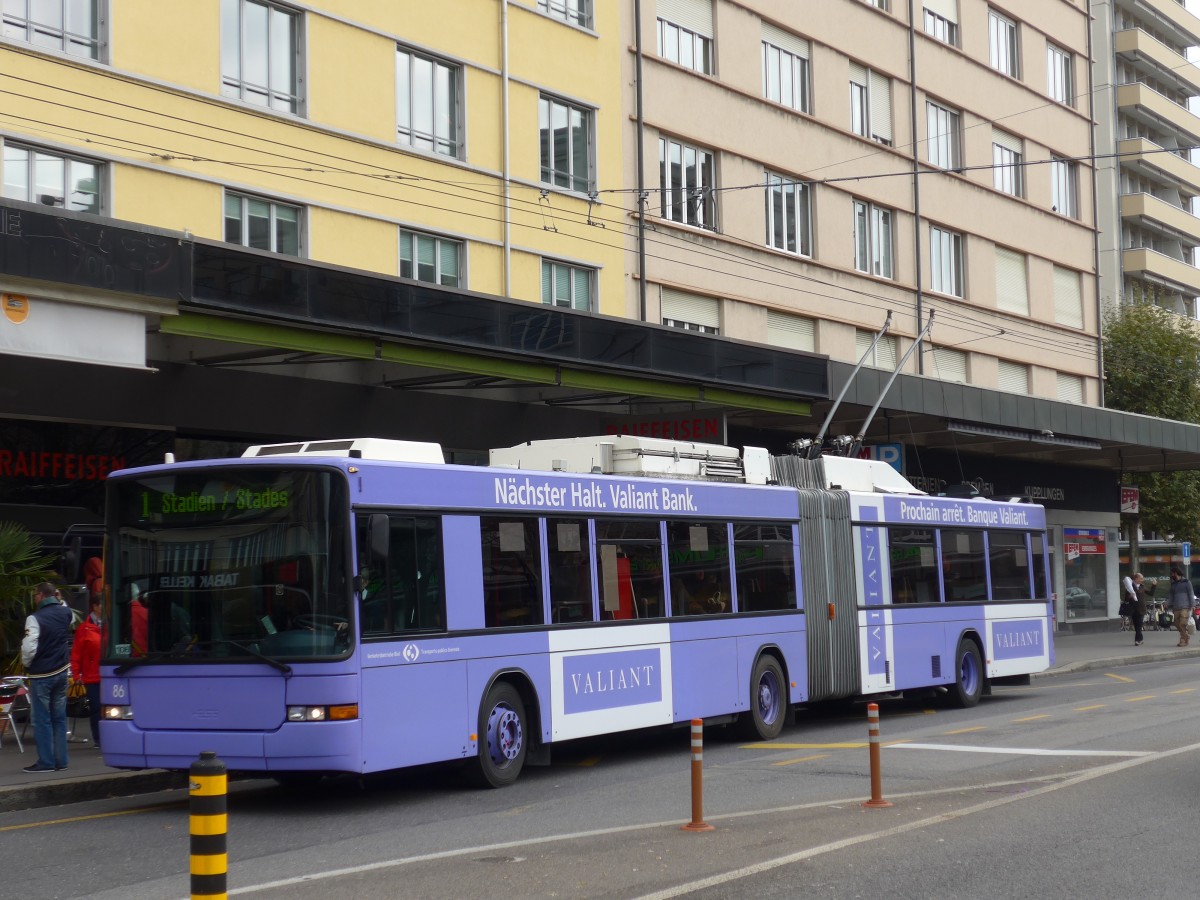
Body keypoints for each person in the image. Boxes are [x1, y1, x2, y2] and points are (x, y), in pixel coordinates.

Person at [20, 582, 73, 773]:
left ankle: (46, 762)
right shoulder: (66, 613)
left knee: (42, 720)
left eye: (35, 594)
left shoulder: (34, 618)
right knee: (59, 718)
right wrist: (58, 596)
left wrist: (26, 663)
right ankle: (61, 761)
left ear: (41, 595)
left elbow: (29, 648)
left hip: (42, 674)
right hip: (62, 671)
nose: (34, 598)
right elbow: (67, 609)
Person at [70, 594, 103, 749]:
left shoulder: (112, 624)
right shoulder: (84, 628)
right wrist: (76, 674)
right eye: (102, 605)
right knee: (96, 708)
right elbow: (76, 653)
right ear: (95, 606)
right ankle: (98, 739)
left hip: (108, 674)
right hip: (92, 675)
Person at [1167, 567, 1192, 647]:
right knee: (1177, 624)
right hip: (1176, 607)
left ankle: (1183, 640)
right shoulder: (1173, 584)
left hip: (1185, 606)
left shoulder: (1187, 582)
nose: (1171, 575)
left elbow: (1191, 594)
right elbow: (1171, 596)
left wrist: (1192, 605)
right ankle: (1186, 635)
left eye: (1172, 574)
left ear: (1176, 573)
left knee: (1182, 623)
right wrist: (1167, 603)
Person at [1129, 572, 1146, 646]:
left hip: (1141, 608)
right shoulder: (1130, 586)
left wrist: (1154, 586)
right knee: (1136, 626)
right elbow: (1126, 598)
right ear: (1136, 579)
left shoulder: (1142, 586)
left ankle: (1137, 640)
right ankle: (1141, 639)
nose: (1142, 580)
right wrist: (1130, 596)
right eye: (1141, 578)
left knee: (1139, 625)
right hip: (1133, 609)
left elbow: (1151, 593)